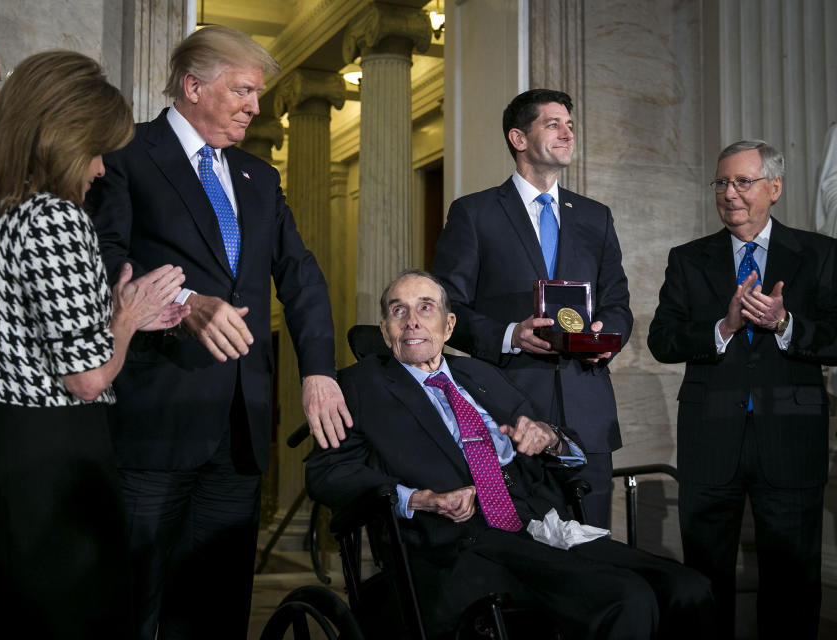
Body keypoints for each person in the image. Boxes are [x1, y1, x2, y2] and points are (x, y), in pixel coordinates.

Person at [86, 25, 351, 639]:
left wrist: (317, 370)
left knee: (218, 611)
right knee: (135, 608)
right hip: (155, 423)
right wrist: (182, 304)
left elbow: (303, 279)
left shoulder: (260, 177)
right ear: (193, 85)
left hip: (239, 430)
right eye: (244, 91)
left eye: (258, 94)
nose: (256, 107)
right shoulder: (124, 154)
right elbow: (103, 259)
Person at [0, 50, 189, 638]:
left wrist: (117, 316)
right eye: (97, 149)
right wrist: (125, 318)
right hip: (52, 467)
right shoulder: (56, 218)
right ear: (63, 138)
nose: (100, 169)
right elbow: (88, 378)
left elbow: (14, 328)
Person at [307, 270, 712, 639]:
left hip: (537, 525)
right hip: (458, 544)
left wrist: (548, 437)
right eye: (399, 310)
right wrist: (417, 498)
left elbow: (561, 439)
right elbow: (326, 472)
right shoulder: (358, 387)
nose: (412, 320)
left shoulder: (481, 375)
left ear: (448, 326)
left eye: (425, 308)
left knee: (688, 588)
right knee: (626, 598)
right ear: (385, 329)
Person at [647, 140, 837, 638]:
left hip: (792, 441)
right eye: (722, 182)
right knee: (704, 581)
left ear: (774, 188)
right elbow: (662, 340)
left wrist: (786, 323)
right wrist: (723, 327)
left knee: (793, 583)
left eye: (743, 182)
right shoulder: (688, 259)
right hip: (710, 442)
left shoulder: (818, 253)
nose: (729, 193)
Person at [431, 88, 632, 527]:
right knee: (522, 548)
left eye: (571, 125)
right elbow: (445, 312)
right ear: (519, 139)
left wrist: (605, 339)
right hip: (511, 409)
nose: (567, 134)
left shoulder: (596, 217)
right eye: (553, 124)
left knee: (592, 551)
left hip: (587, 409)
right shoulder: (475, 214)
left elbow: (618, 302)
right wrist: (510, 335)